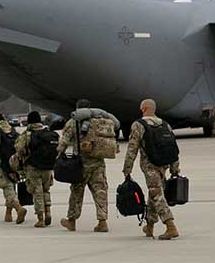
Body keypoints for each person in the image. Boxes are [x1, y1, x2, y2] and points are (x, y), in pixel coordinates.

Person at [123, 98, 181, 240]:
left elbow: (132, 148)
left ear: (143, 109)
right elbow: (173, 148)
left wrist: (127, 168)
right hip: (164, 165)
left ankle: (170, 226)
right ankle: (149, 226)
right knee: (153, 193)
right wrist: (175, 168)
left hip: (150, 166)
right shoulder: (165, 124)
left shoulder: (138, 125)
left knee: (156, 194)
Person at [59, 99, 117, 233]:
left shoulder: (74, 121)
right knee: (100, 191)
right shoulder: (100, 121)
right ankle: (102, 222)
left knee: (76, 192)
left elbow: (65, 140)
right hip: (98, 162)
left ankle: (72, 221)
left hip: (81, 164)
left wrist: (59, 154)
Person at [12, 111, 58, 228]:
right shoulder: (48, 132)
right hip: (48, 167)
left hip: (33, 167)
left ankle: (40, 218)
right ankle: (48, 211)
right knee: (46, 190)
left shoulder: (27, 134)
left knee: (37, 191)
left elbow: (19, 149)